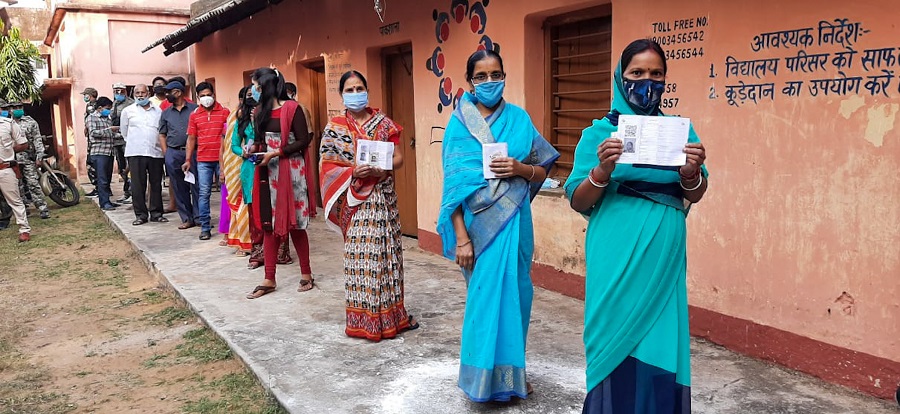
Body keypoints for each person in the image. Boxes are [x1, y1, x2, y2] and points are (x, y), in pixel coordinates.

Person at [564, 39, 708, 413]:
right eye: (637, 73)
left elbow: (697, 191)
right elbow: (578, 199)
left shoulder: (679, 132)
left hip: (664, 252)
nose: (647, 81)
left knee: (660, 338)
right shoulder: (598, 135)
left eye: (656, 74)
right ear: (620, 77)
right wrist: (602, 171)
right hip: (614, 251)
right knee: (612, 335)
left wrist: (691, 172)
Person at [436, 50, 559, 402]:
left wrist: (520, 169)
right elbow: (454, 189)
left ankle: (512, 375)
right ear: (470, 82)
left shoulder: (520, 119)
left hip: (516, 223)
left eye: (496, 74)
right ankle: (480, 380)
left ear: (504, 76)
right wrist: (461, 239)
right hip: (478, 230)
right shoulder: (460, 124)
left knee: (517, 297)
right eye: (482, 76)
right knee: (484, 301)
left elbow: (541, 170)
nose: (490, 82)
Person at [320, 70, 418, 341]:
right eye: (349, 90)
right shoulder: (335, 128)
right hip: (355, 199)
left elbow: (398, 157)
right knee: (360, 258)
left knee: (387, 256)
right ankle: (363, 319)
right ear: (341, 95)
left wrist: (382, 165)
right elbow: (327, 166)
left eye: (359, 88)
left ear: (367, 90)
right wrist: (353, 172)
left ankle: (392, 317)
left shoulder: (383, 123)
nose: (355, 94)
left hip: (383, 197)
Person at [244, 67, 314, 299]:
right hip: (266, 173)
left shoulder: (293, 109)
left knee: (296, 223)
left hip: (291, 172)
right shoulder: (258, 111)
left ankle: (306, 273)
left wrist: (274, 154)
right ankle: (269, 277)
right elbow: (257, 140)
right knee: (268, 224)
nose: (254, 90)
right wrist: (252, 148)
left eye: (256, 86)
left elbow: (303, 141)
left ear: (267, 86)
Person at [183, 82, 230, 240]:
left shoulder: (225, 112)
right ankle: (205, 227)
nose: (206, 98)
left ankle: (229, 228)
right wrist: (188, 159)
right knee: (204, 194)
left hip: (223, 160)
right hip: (203, 160)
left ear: (214, 94)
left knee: (227, 193)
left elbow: (229, 136)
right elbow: (191, 138)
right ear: (197, 97)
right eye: (202, 96)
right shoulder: (195, 115)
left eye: (208, 94)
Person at [121, 84, 167, 225]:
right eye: (137, 93)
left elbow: (161, 131)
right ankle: (141, 215)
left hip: (155, 152)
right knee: (137, 185)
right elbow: (124, 132)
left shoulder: (158, 111)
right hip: (136, 152)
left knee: (156, 184)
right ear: (133, 94)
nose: (140, 95)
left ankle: (156, 213)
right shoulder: (128, 111)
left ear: (149, 93)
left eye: (143, 92)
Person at [158, 80, 200, 229]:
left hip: (194, 153)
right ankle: (187, 218)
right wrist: (166, 153)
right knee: (178, 187)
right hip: (174, 153)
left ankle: (199, 217)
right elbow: (162, 134)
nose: (166, 95)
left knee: (197, 185)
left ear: (178, 92)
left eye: (168, 92)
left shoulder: (195, 109)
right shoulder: (166, 113)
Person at [222, 86, 254, 254]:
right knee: (241, 201)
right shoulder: (236, 115)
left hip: (263, 162)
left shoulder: (264, 114)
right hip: (239, 163)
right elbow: (230, 144)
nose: (253, 97)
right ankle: (244, 241)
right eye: (249, 95)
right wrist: (242, 154)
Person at [6, 101, 50, 219]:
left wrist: (39, 156)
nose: (17, 109)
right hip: (12, 159)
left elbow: (37, 139)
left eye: (19, 107)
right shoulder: (6, 123)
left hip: (27, 157)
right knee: (16, 186)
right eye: (14, 108)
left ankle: (42, 208)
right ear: (10, 110)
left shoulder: (30, 122)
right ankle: (24, 209)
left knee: (33, 183)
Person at [285, 81, 318, 218]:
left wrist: (298, 147)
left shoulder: (300, 108)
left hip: (296, 154)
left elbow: (309, 133)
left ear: (292, 93)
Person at [0, 99, 31, 242]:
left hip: (5, 168)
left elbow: (24, 144)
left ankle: (24, 230)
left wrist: (8, 151)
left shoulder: (9, 124)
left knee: (15, 200)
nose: (4, 110)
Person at [86, 97, 118, 211]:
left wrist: (120, 133)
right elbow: (93, 133)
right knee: (102, 178)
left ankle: (107, 201)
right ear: (99, 108)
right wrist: (110, 130)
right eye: (107, 108)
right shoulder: (92, 118)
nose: (108, 110)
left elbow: (111, 135)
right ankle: (104, 203)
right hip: (99, 152)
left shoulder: (107, 118)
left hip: (109, 152)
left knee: (108, 178)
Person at [111, 82, 134, 204]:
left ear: (125, 91)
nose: (118, 93)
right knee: (121, 169)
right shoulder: (114, 103)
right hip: (116, 141)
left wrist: (119, 128)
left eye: (120, 90)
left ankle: (132, 192)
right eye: (116, 91)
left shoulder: (131, 104)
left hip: (126, 139)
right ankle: (126, 192)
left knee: (129, 168)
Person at [81, 87, 99, 196]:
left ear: (90, 95)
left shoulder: (93, 106)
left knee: (92, 163)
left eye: (85, 95)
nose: (84, 97)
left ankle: (98, 186)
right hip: (91, 139)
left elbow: (91, 119)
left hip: (94, 140)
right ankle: (99, 187)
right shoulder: (89, 105)